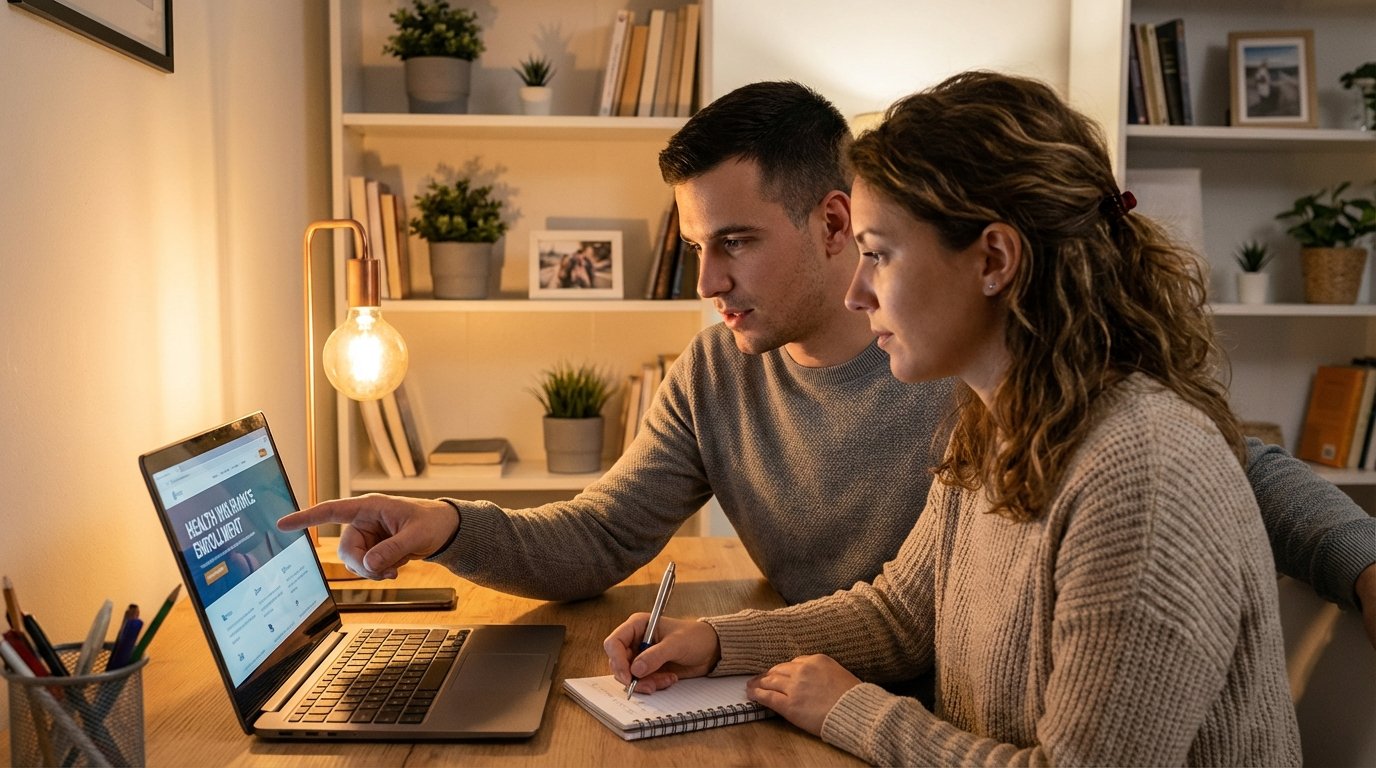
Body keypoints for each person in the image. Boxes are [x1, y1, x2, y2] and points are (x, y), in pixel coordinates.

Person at [278, 79, 1376, 644]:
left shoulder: (969, 353)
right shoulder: (715, 375)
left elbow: (1221, 467)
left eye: (732, 243)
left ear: (836, 221)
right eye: (693, 246)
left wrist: (1361, 565)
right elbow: (600, 535)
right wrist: (449, 525)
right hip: (816, 684)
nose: (705, 283)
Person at [604, 71, 1301, 766]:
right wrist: (720, 643)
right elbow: (902, 614)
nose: (857, 292)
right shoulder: (997, 421)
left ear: (993, 259)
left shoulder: (1141, 476)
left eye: (877, 254)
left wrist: (854, 711)